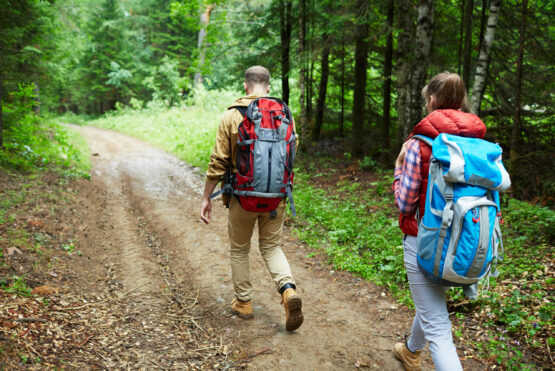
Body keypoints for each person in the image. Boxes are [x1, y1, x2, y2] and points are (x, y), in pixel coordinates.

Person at [392, 72, 487, 371]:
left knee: (439, 330)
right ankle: (410, 351)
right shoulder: (478, 143)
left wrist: (398, 172)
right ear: (461, 102)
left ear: (431, 100)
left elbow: (405, 202)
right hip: (466, 239)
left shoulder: (419, 143)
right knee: (432, 303)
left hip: (425, 240)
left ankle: (417, 351)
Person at [200, 66, 303, 331]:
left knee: (239, 248)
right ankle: (288, 290)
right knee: (271, 246)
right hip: (276, 198)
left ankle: (244, 303)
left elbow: (219, 160)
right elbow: (292, 153)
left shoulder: (233, 115)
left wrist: (206, 197)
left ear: (245, 86)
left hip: (242, 199)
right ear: (267, 87)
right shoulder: (284, 114)